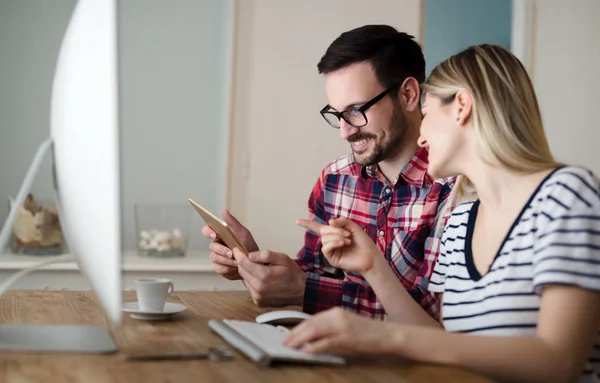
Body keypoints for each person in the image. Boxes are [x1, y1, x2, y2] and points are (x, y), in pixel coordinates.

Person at [284, 44, 600, 383]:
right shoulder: (461, 220)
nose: (420, 136)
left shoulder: (566, 195)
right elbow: (444, 343)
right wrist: (372, 266)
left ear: (461, 106)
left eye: (428, 112)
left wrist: (385, 336)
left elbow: (559, 362)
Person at [202, 25, 454, 319]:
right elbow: (315, 272)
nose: (345, 132)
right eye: (337, 114)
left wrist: (305, 291)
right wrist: (256, 267)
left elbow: (433, 316)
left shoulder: (454, 187)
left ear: (409, 95)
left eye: (357, 110)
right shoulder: (335, 179)